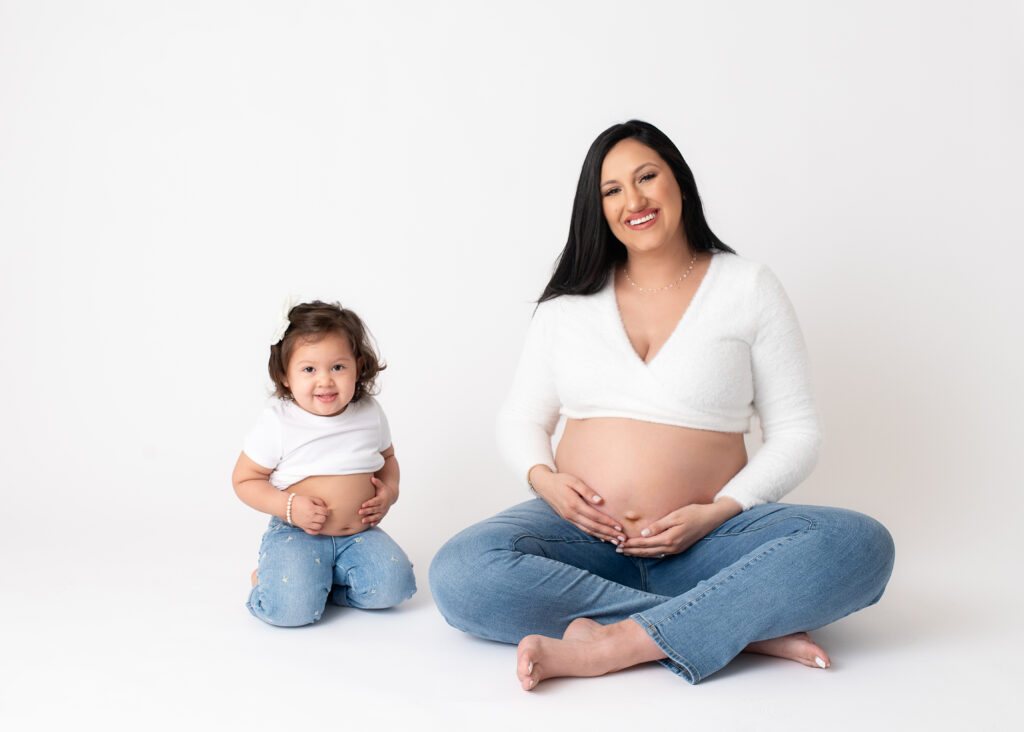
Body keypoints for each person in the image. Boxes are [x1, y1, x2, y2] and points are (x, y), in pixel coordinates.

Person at [429, 120, 894, 689]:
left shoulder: (747, 286)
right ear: (597, 209)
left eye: (647, 176)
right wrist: (545, 481)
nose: (635, 200)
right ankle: (729, 622)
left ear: (679, 182)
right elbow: (522, 418)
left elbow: (797, 432)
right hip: (583, 540)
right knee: (459, 572)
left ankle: (616, 641)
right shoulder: (567, 306)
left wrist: (720, 510)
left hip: (711, 543)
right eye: (613, 190)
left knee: (859, 545)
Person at [233, 300, 415, 626]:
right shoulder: (279, 421)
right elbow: (245, 480)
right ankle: (268, 586)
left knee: (394, 587)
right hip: (298, 532)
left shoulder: (369, 412)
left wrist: (390, 491)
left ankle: (322, 588)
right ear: (284, 375)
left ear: (358, 366)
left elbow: (387, 459)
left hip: (358, 534)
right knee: (290, 612)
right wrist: (289, 507)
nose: (325, 381)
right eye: (309, 369)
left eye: (338, 367)